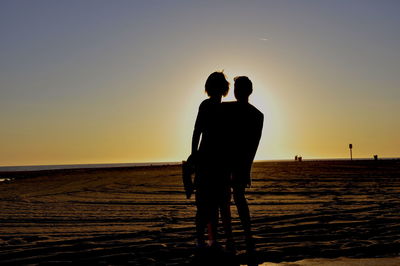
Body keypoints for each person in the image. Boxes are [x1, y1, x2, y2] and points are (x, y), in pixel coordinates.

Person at [191, 71, 233, 249]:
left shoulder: (219, 108)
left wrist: (194, 154)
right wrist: (194, 155)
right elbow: (197, 131)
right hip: (212, 160)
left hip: (215, 160)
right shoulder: (211, 106)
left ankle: (209, 240)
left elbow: (196, 132)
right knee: (212, 203)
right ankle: (207, 240)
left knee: (211, 203)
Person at [222, 76, 263, 253]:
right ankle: (236, 237)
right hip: (227, 160)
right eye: (236, 87)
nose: (237, 91)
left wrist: (246, 167)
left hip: (235, 161)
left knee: (234, 199)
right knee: (231, 199)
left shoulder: (255, 114)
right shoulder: (254, 114)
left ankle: (241, 236)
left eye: (239, 87)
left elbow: (253, 144)